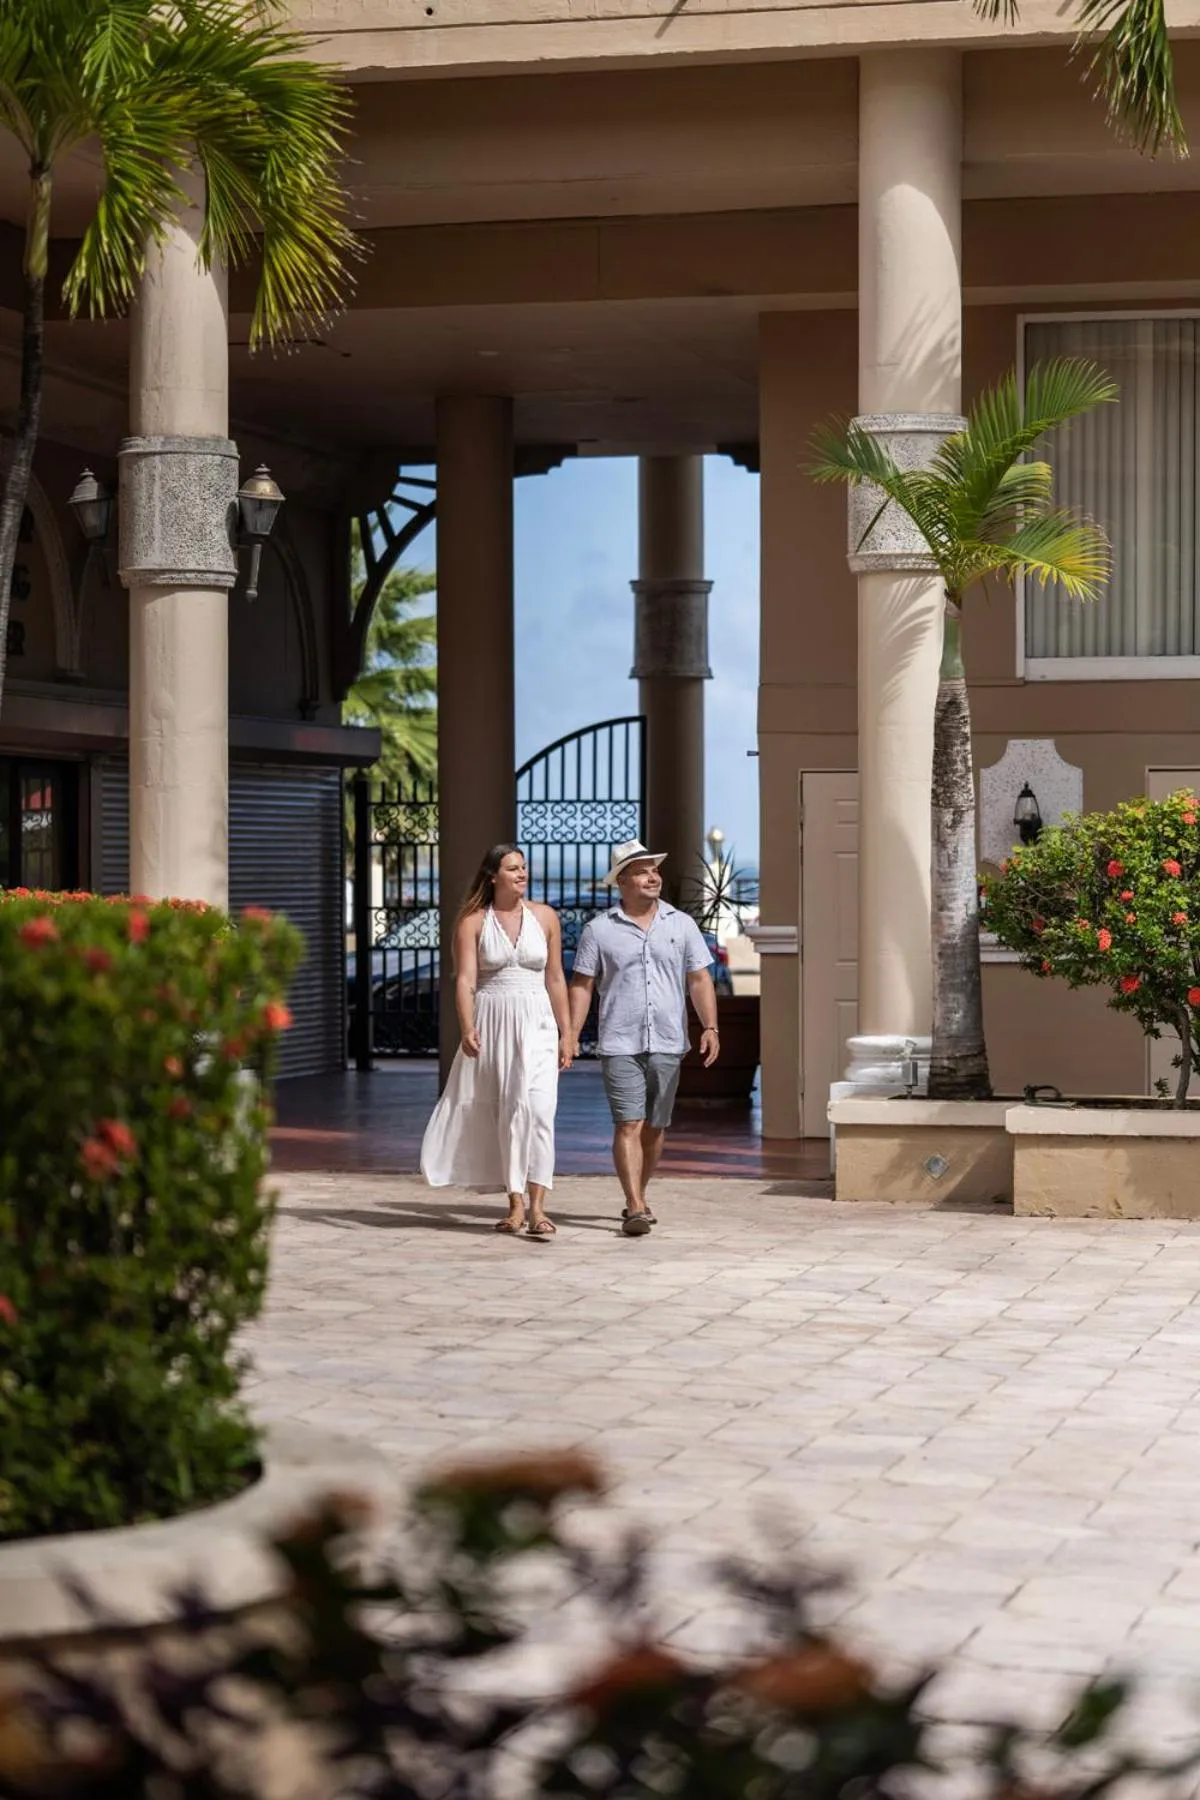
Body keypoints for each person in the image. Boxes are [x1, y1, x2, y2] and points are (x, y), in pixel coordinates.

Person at [421, 844, 573, 1238]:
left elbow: (556, 978)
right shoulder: (472, 922)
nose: (522, 873)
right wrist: (466, 1025)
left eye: (524, 867)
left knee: (539, 1110)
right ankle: (515, 1203)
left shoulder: (545, 917)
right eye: (512, 868)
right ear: (493, 876)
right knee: (509, 1112)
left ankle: (539, 1207)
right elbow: (466, 981)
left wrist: (567, 1031)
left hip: (537, 1020)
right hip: (494, 1021)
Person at [568, 839, 718, 1237]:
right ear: (622, 881)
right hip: (619, 1041)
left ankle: (641, 1193)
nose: (652, 877)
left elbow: (699, 978)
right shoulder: (598, 930)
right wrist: (569, 1034)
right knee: (628, 1123)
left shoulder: (681, 925)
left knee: (655, 1126)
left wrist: (710, 1026)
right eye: (641, 871)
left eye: (654, 870)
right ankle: (634, 1205)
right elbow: (582, 985)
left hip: (668, 1039)